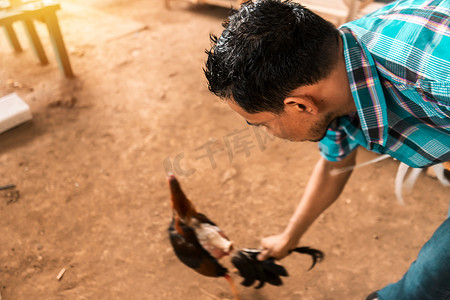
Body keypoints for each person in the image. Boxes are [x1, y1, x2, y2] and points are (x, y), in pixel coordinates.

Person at [203, 0, 450, 299]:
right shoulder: (338, 69)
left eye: (262, 124)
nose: (268, 133)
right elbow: (335, 164)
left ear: (300, 106)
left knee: (425, 283)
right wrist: (289, 237)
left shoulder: (435, 80)